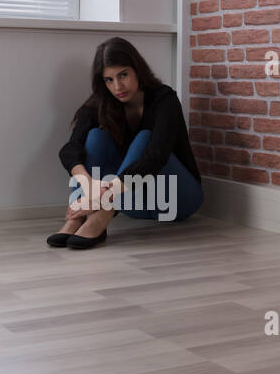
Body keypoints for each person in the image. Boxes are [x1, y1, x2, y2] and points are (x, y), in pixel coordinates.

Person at [48, 37, 203, 249]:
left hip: (178, 199)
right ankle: (77, 217)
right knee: (95, 137)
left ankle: (101, 216)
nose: (118, 86)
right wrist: (88, 184)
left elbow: (155, 157)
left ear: (137, 69)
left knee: (144, 139)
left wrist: (104, 197)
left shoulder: (164, 99)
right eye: (109, 80)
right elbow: (70, 149)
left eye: (123, 75)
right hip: (132, 202)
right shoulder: (101, 104)